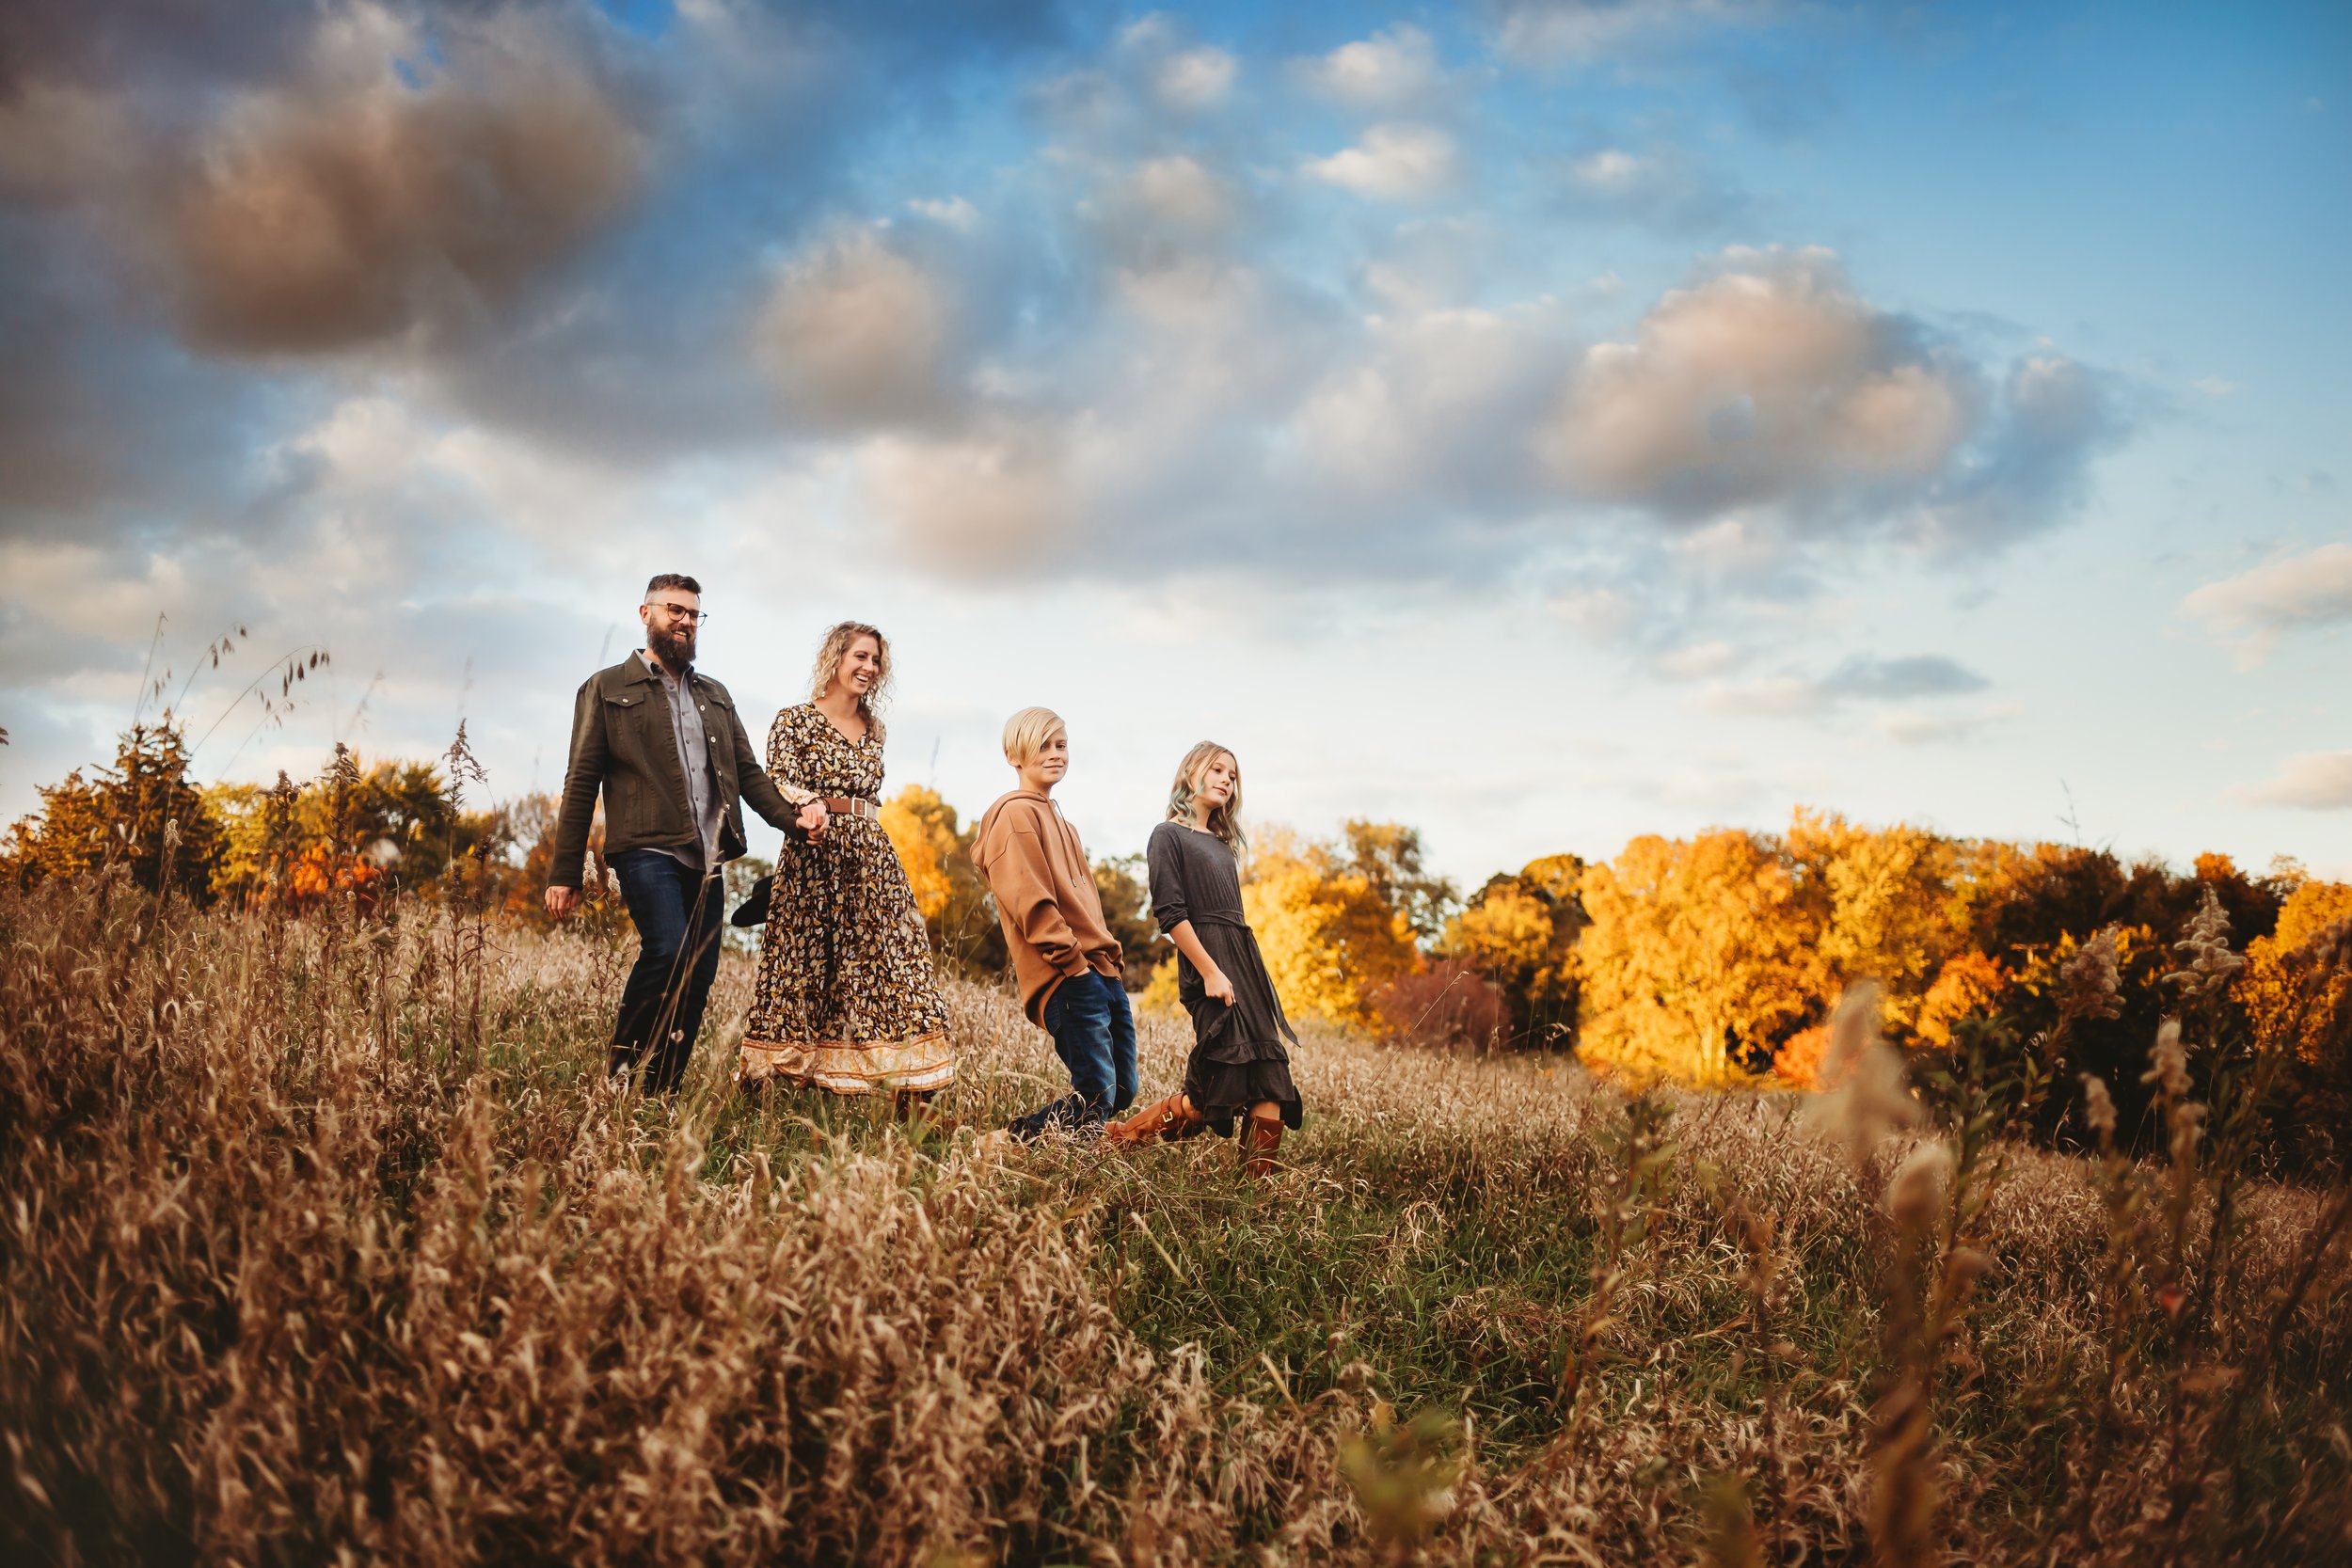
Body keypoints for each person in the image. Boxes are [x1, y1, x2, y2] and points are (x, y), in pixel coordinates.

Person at [546, 574, 818, 1092]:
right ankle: (620, 1078)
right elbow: (580, 781)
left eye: (694, 615)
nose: (686, 622)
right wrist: (565, 872)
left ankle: (662, 1091)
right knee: (667, 950)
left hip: (707, 856)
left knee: (697, 977)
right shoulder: (606, 687)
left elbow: (749, 774)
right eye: (675, 610)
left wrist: (794, 820)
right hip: (645, 847)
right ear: (645, 613)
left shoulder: (715, 695)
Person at [738, 622, 954, 1113]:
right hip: (814, 854)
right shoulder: (794, 720)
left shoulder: (875, 728)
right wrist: (807, 804)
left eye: (876, 660)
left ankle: (911, 1085)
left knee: (897, 961)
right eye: (860, 656)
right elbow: (779, 775)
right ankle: (768, 1084)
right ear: (836, 658)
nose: (869, 667)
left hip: (872, 858)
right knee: (804, 967)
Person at [1105, 741, 1303, 1176]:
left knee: (1271, 1079)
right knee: (1212, 1091)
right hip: (1208, 966)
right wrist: (1211, 972)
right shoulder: (1167, 834)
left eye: (1232, 776)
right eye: (1216, 770)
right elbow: (1171, 915)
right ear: (1190, 773)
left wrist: (1242, 970)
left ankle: (1257, 1198)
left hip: (1244, 965)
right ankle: (1117, 1141)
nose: (1226, 781)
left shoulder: (1221, 844)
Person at [969, 707, 1136, 1141]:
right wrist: (1074, 965)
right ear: (1013, 755)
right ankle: (1009, 1144)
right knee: (1098, 1092)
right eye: (1043, 745)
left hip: (1102, 971)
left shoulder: (1067, 825)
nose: (1056, 754)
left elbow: (1087, 905)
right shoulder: (1013, 816)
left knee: (1121, 1091)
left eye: (1061, 745)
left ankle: (1055, 1150)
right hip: (1068, 974)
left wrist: (1109, 964)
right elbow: (1030, 901)